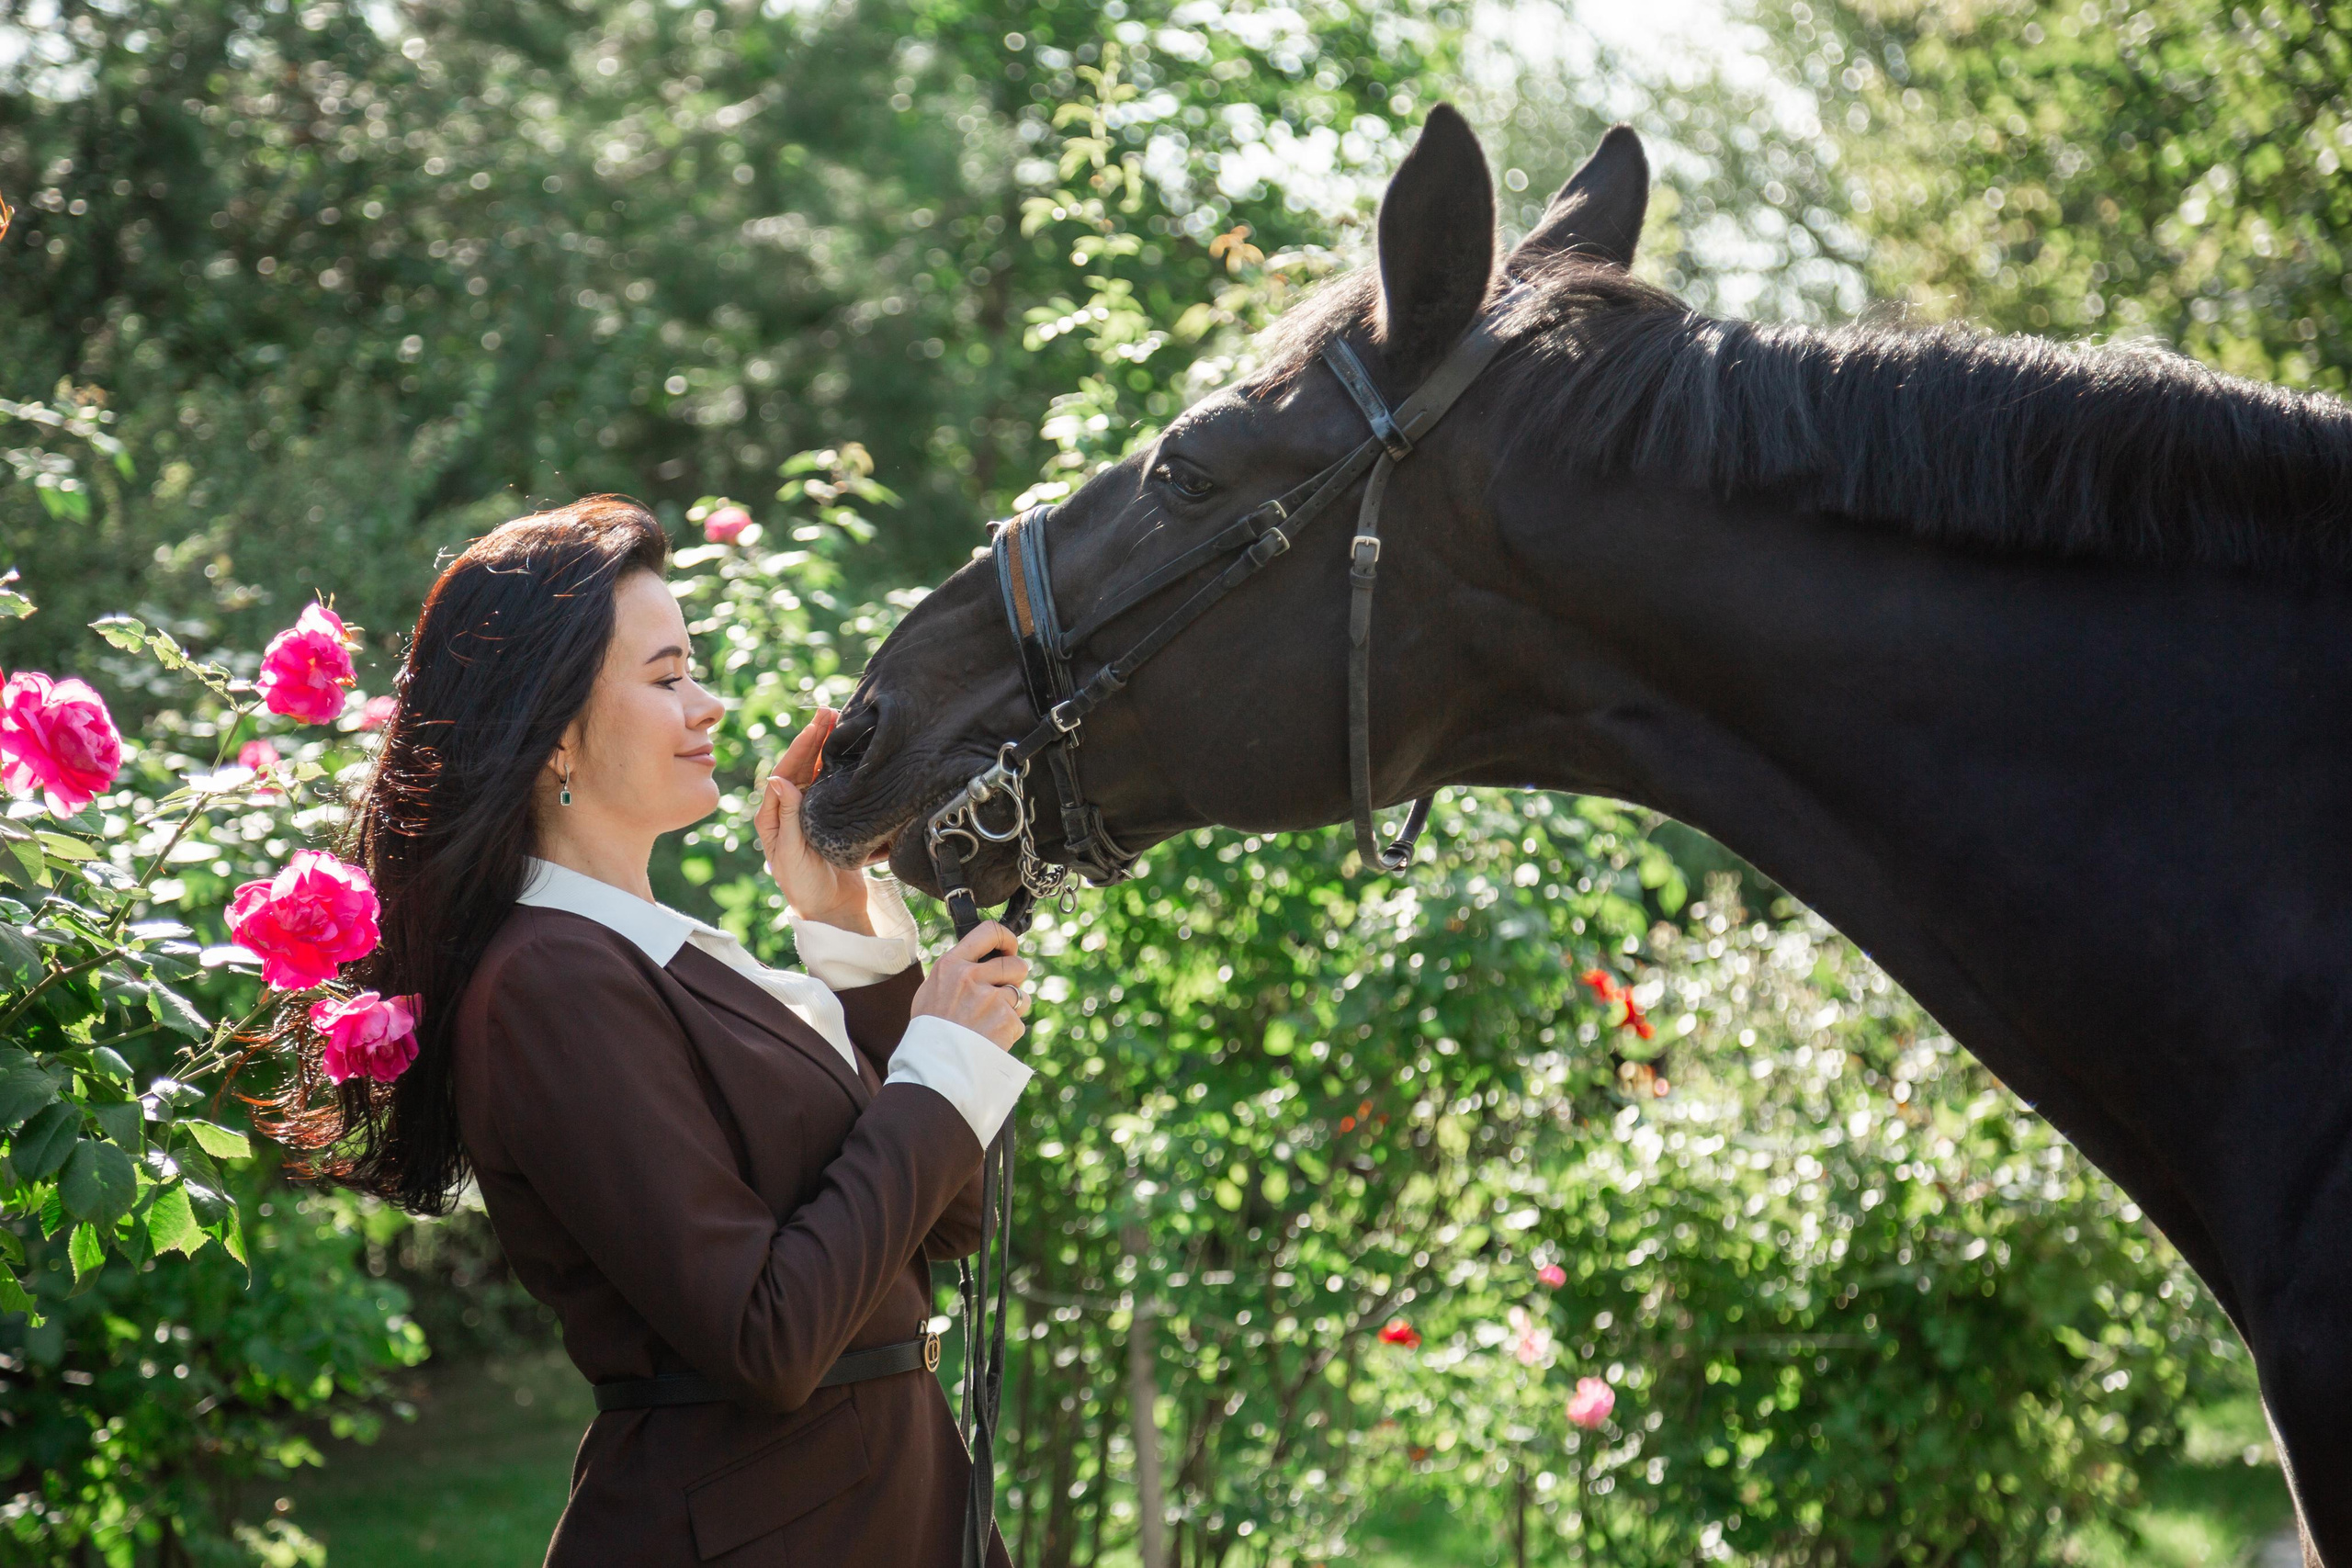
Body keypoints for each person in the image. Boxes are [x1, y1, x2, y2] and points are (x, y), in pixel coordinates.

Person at [264, 496, 1028, 1565]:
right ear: (554, 734)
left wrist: (847, 934)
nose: (706, 705)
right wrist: (939, 1066)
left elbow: (946, 1221)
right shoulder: (547, 986)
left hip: (885, 1513)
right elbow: (767, 1337)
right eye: (666, 677)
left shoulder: (648, 950)